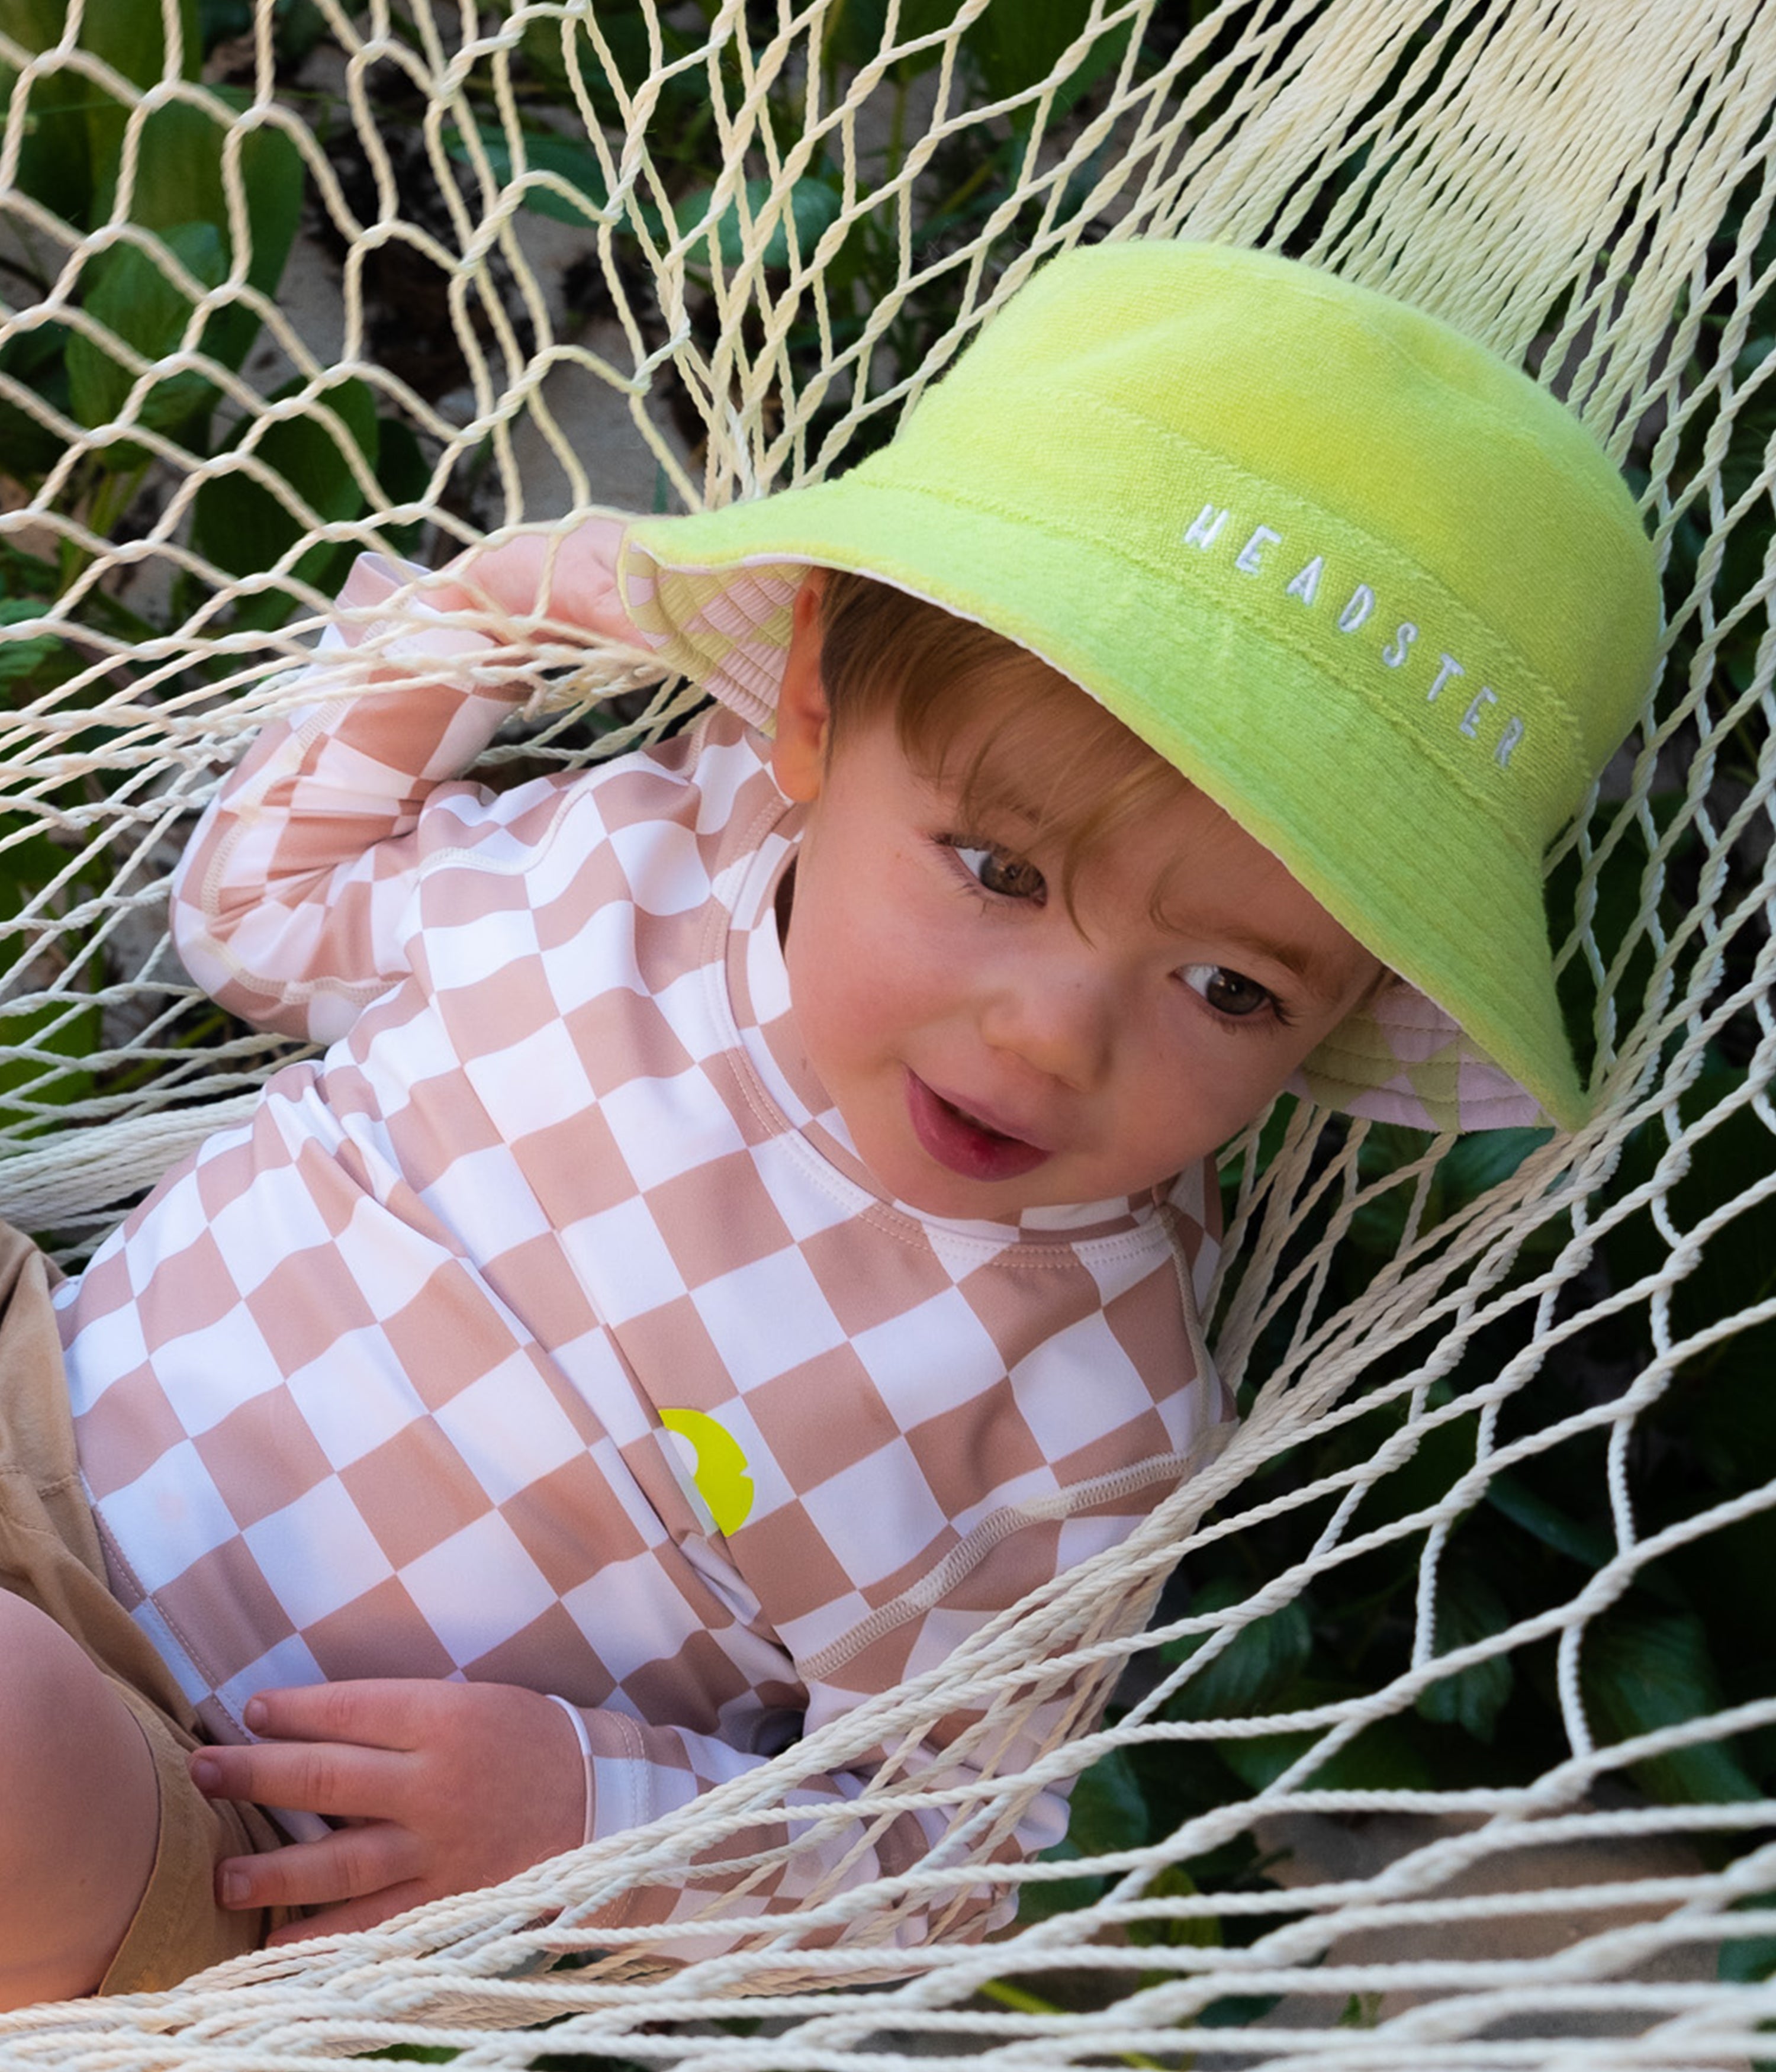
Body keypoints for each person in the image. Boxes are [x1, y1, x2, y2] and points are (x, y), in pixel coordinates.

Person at [0, 239, 1660, 2007]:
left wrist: (584, 1811)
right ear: (808, 714)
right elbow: (256, 918)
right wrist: (487, 611)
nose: (1051, 1035)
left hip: (217, 1806)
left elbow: (932, 1861)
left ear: (1346, 1012)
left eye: (1228, 989)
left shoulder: (1082, 1405)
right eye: (997, 869)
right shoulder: (642, 853)